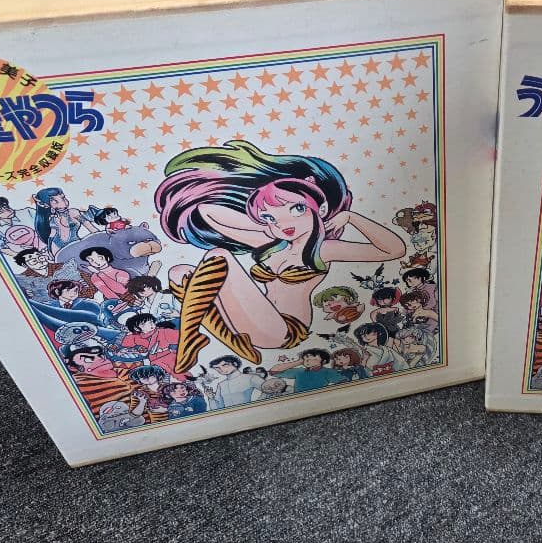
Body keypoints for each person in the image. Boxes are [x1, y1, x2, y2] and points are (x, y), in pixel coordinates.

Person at [155, 141, 407, 373]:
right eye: (269, 217)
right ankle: (218, 337)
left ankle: (190, 336)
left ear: (320, 209)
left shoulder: (322, 249)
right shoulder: (271, 244)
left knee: (219, 255)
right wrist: (267, 223)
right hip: (250, 319)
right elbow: (206, 210)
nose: (284, 223)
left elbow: (394, 250)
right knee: (179, 273)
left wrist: (351, 217)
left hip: (284, 330)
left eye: (297, 209)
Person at [33, 187, 99, 253]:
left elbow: (90, 227)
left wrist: (101, 238)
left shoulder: (73, 213)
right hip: (56, 246)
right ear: (46, 205)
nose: (63, 205)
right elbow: (52, 236)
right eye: (54, 201)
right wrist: (50, 251)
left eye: (63, 198)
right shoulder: (52, 218)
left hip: (75, 243)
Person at [120, 313, 182, 379]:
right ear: (136, 328)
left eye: (151, 321)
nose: (151, 324)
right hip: (153, 361)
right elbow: (124, 345)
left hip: (168, 357)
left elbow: (183, 337)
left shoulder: (163, 332)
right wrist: (137, 348)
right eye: (144, 324)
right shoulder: (135, 337)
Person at [269, 348, 347, 393]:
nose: (308, 360)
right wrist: (298, 362)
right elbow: (273, 371)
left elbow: (344, 383)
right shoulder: (299, 371)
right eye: (306, 358)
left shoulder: (327, 372)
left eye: (313, 358)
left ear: (323, 361)